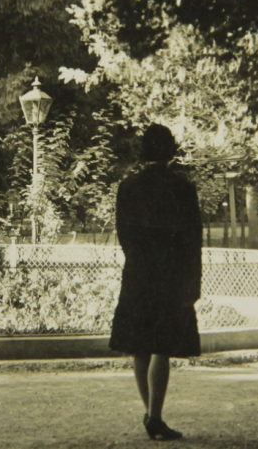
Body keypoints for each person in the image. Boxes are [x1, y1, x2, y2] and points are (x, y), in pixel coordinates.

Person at [109, 124, 202, 442]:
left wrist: (138, 260)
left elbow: (124, 232)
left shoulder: (128, 186)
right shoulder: (181, 187)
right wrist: (193, 281)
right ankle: (156, 416)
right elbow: (193, 239)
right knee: (162, 344)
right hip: (171, 274)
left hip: (138, 272)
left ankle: (150, 413)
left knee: (140, 346)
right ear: (170, 151)